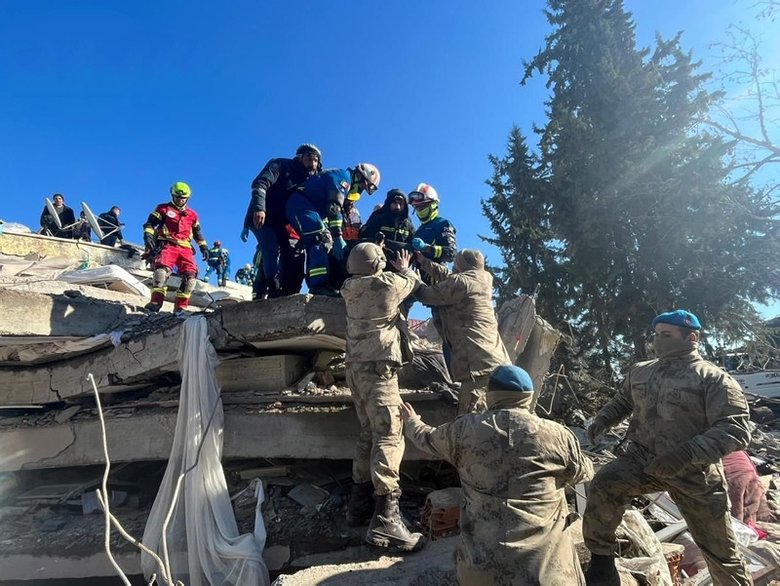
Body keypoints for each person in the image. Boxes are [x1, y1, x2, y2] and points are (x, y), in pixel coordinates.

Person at [583, 309, 753, 585]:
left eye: (667, 335)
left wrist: (685, 454)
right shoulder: (641, 371)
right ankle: (603, 567)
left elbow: (735, 430)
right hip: (642, 462)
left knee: (720, 551)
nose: (658, 340)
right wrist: (602, 420)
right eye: (656, 334)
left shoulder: (714, 379)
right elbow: (624, 401)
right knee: (604, 484)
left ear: (692, 338)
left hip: (694, 473)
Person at [401, 364, 594, 585]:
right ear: (528, 397)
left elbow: (426, 438)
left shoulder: (464, 431)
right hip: (547, 574)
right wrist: (578, 514)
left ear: (491, 395)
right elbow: (585, 476)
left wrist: (411, 421)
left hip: (481, 573)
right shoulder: (558, 436)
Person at [340, 243, 424, 551]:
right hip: (379, 371)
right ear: (379, 264)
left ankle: (358, 507)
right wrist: (402, 266)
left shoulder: (348, 287)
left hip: (355, 370)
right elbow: (411, 281)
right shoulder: (387, 284)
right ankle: (387, 520)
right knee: (389, 436)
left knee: (367, 435)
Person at [414, 248, 511, 414]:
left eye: (456, 264)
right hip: (495, 361)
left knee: (470, 422)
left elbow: (427, 294)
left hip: (477, 367)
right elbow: (453, 278)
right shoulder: (484, 278)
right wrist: (425, 263)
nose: (453, 267)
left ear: (461, 265)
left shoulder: (461, 283)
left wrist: (409, 277)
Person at [286, 163, 380, 296]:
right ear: (359, 176)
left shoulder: (340, 175)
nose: (360, 191)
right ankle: (319, 286)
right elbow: (334, 208)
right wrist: (338, 237)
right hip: (302, 205)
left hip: (304, 206)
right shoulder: (343, 179)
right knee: (321, 239)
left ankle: (316, 284)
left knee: (314, 243)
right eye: (362, 187)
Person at [242, 144, 321, 297]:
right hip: (262, 217)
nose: (313, 163)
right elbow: (260, 184)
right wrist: (259, 209)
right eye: (309, 158)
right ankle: (273, 288)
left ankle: (264, 293)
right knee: (270, 249)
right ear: (299, 157)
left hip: (279, 222)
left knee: (287, 255)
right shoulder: (280, 164)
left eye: (316, 160)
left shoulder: (308, 179)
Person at [142, 182, 209, 314]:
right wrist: (148, 236)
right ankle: (156, 302)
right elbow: (150, 224)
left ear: (188, 198)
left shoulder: (193, 215)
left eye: (183, 198)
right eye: (177, 197)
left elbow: (197, 232)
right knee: (161, 272)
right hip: (167, 244)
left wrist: (204, 247)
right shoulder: (163, 209)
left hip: (186, 248)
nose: (180, 200)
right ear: (172, 195)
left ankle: (181, 307)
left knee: (190, 278)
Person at [359, 188, 416, 267]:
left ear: (405, 206)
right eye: (395, 203)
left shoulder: (408, 225)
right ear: (389, 203)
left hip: (400, 268)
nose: (398, 207)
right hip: (377, 265)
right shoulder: (378, 219)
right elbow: (363, 236)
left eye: (400, 204)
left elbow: (414, 244)